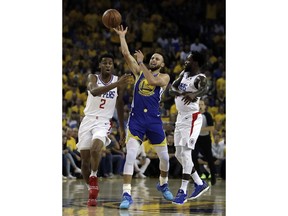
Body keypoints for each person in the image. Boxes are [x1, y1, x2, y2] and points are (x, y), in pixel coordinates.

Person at [114, 25, 173, 209]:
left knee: (165, 158)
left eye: (157, 58)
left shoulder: (164, 77)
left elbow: (153, 81)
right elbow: (125, 54)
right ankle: (126, 194)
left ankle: (163, 184)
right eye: (152, 57)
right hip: (137, 120)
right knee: (130, 155)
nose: (153, 59)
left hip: (154, 121)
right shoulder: (139, 72)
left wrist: (141, 63)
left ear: (161, 64)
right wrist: (122, 37)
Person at [77, 53, 131, 206]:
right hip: (87, 120)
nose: (108, 65)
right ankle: (91, 190)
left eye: (110, 63)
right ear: (100, 65)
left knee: (95, 149)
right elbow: (94, 91)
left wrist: (122, 128)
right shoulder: (92, 77)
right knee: (85, 162)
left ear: (113, 66)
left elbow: (119, 105)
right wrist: (117, 84)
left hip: (103, 122)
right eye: (105, 63)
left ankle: (94, 176)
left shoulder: (117, 81)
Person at [169, 51, 210, 205]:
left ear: (196, 62)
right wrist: (182, 92)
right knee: (179, 154)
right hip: (180, 118)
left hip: (192, 118)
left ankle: (183, 191)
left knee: (186, 154)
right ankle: (200, 183)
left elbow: (206, 89)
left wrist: (194, 95)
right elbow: (172, 89)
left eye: (188, 60)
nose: (185, 62)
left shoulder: (200, 78)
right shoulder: (183, 75)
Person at [192, 99, 216, 186]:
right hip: (196, 139)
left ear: (205, 106)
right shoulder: (194, 115)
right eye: (199, 104)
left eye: (202, 104)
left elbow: (211, 128)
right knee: (193, 156)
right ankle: (196, 177)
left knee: (209, 158)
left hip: (205, 139)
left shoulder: (207, 115)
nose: (200, 106)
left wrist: (199, 129)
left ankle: (213, 177)